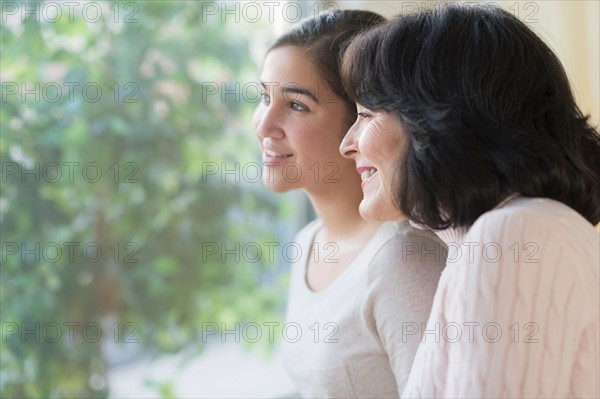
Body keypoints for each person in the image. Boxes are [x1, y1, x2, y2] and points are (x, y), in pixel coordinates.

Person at [339, 4, 600, 398]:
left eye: (365, 113)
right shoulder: (501, 237)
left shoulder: (513, 236)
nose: (347, 145)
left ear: (433, 118)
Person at [252, 10, 447, 398]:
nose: (264, 125)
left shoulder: (402, 260)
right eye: (264, 98)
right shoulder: (308, 242)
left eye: (296, 105)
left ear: (362, 119)